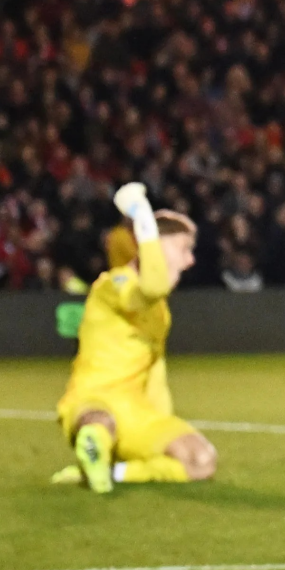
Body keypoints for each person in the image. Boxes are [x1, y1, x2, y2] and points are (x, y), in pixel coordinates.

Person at [51, 183, 216, 493]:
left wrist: (162, 425)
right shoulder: (113, 283)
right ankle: (95, 447)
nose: (190, 260)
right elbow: (151, 286)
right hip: (93, 400)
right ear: (156, 246)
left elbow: (156, 374)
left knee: (201, 460)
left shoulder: (160, 311)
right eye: (184, 249)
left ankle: (111, 471)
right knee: (99, 424)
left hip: (136, 413)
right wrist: (141, 216)